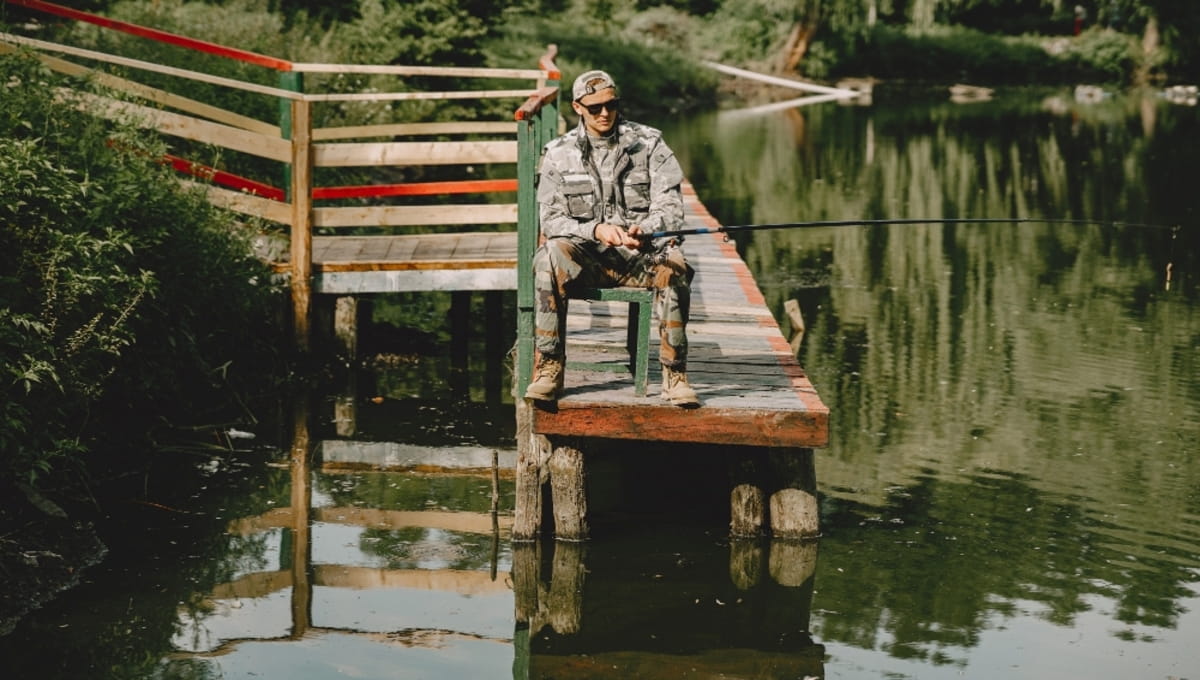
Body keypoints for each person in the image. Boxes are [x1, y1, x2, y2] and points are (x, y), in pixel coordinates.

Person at [524, 69, 699, 407]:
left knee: (675, 264)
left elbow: (672, 208)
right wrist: (595, 230)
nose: (605, 113)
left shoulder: (649, 143)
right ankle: (548, 368)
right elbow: (551, 219)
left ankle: (675, 373)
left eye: (612, 104)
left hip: (640, 258)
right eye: (595, 108)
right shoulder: (557, 153)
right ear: (577, 107)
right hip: (586, 259)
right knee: (547, 256)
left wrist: (645, 230)